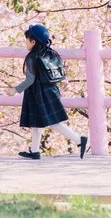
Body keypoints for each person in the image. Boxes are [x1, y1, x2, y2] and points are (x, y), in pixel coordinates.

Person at [7, 24, 88, 160]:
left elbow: (30, 79)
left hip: (38, 94)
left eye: (26, 40)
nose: (25, 43)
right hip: (51, 91)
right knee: (36, 122)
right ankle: (35, 151)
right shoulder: (51, 53)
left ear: (33, 41)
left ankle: (79, 139)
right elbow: (60, 73)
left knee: (52, 122)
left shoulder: (32, 57)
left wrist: (15, 90)